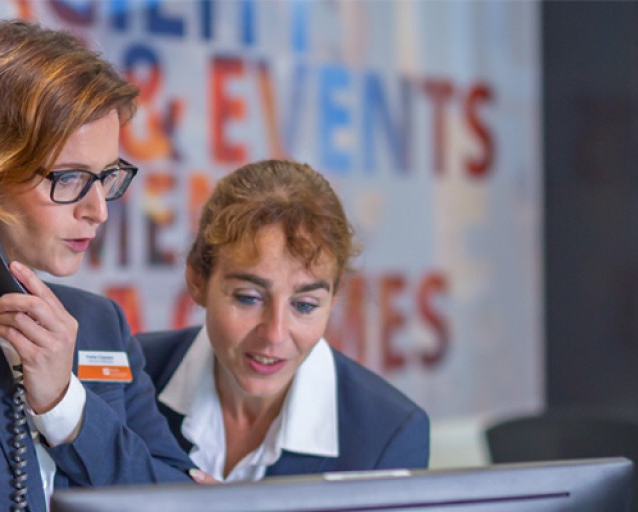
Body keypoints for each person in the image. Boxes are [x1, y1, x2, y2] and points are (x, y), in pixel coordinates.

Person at [0, 19, 195, 512]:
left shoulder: (99, 324)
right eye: (70, 178)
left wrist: (64, 407)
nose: (98, 210)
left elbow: (177, 499)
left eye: (107, 176)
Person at [137, 159, 430, 482]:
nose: (275, 334)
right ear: (197, 280)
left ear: (333, 298)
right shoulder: (130, 376)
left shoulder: (387, 437)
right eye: (248, 298)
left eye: (304, 305)